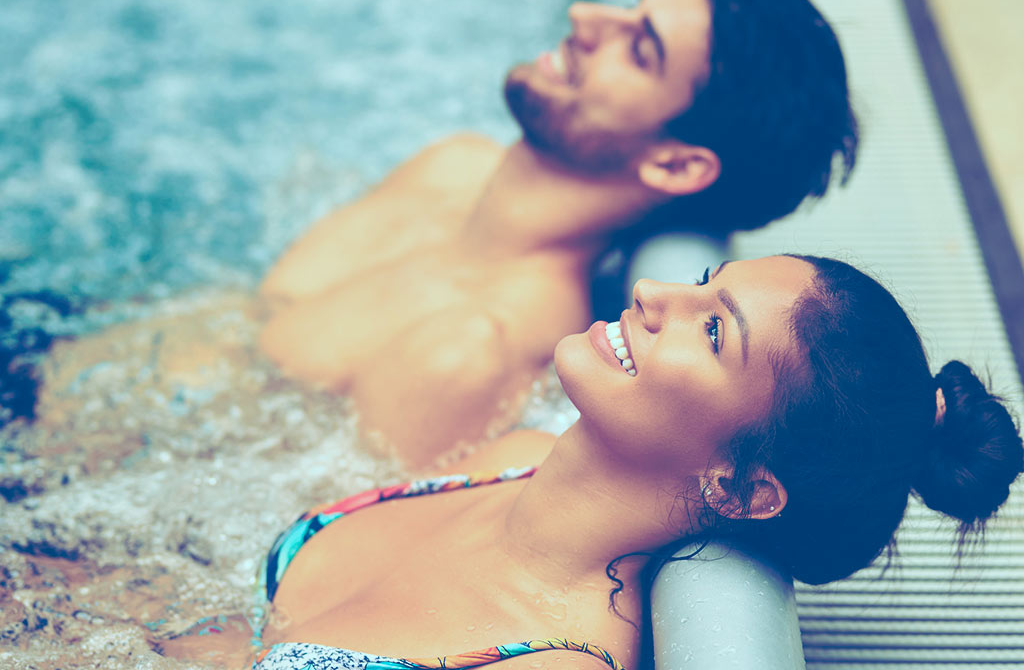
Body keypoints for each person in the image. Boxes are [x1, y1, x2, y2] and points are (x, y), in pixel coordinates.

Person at [164, 255, 1022, 670]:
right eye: (700, 277)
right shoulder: (507, 456)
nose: (655, 294)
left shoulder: (548, 662)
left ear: (741, 486)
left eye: (713, 329)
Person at [257, 0, 859, 466]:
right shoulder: (451, 164)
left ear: (675, 165)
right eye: (627, 7)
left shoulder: (469, 353)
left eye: (639, 49)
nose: (585, 17)